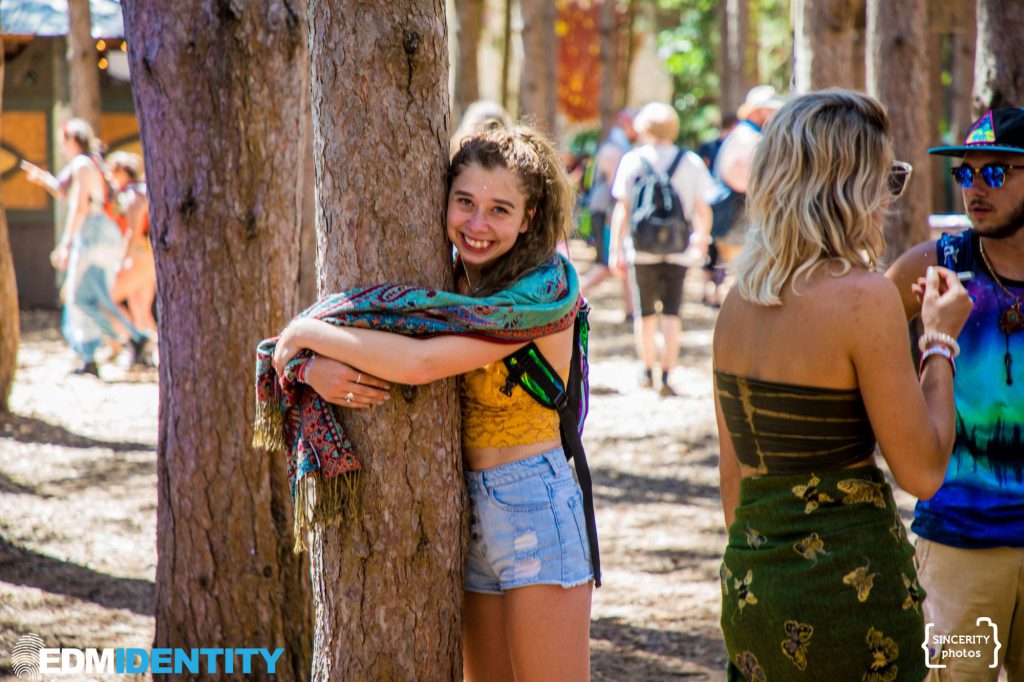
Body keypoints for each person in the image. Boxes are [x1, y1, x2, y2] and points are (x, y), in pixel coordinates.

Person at [265, 124, 595, 682]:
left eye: (499, 210)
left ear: (530, 216)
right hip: (463, 510)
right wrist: (307, 362)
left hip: (535, 500)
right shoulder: (447, 285)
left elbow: (417, 363)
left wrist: (306, 333)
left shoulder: (542, 292)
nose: (477, 224)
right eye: (464, 202)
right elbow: (376, 333)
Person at [713, 89, 972, 680]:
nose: (888, 198)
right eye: (888, 178)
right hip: (849, 597)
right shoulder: (864, 297)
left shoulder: (737, 303)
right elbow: (923, 472)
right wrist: (939, 341)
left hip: (752, 586)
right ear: (852, 184)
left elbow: (735, 481)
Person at [887, 107, 1024, 679]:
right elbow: (867, 371)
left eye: (996, 173)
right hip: (958, 547)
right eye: (966, 174)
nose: (975, 188)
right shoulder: (931, 269)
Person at [21, 119, 150, 376]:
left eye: (63, 142)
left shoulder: (81, 165)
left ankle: (98, 349)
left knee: (77, 296)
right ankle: (128, 338)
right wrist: (45, 179)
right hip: (105, 233)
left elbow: (80, 206)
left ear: (71, 140)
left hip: (92, 233)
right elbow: (71, 193)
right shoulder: (94, 163)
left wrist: (66, 243)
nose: (61, 147)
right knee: (94, 295)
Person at [608, 102, 713, 396]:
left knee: (645, 314)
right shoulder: (690, 161)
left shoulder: (632, 160)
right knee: (672, 312)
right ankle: (667, 374)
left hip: (641, 250)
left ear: (645, 128)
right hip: (679, 250)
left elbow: (622, 209)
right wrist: (701, 238)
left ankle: (646, 369)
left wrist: (615, 250)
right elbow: (703, 209)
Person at [708, 85, 783, 266]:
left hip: (740, 223)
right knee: (741, 281)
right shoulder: (748, 138)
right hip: (739, 223)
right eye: (769, 109)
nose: (774, 114)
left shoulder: (744, 134)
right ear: (756, 111)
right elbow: (743, 180)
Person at [107, 151, 158, 362]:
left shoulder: (133, 195)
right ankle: (154, 352)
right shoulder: (145, 191)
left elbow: (133, 230)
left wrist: (121, 260)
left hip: (138, 254)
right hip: (150, 256)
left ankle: (136, 340)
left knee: (107, 299)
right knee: (140, 309)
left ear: (122, 171)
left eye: (113, 172)